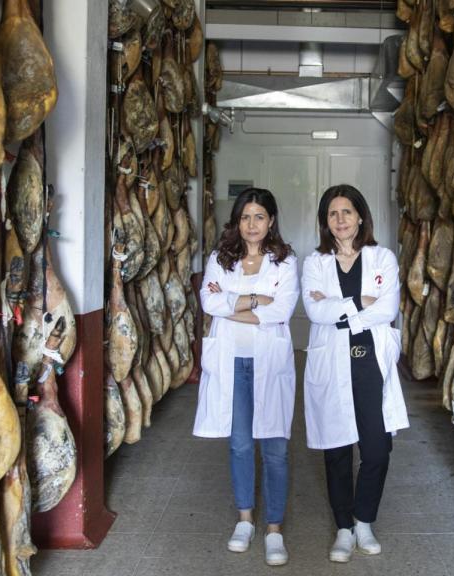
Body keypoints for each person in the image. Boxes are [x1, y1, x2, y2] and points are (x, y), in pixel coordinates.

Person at [301, 184, 409, 563]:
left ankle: (365, 520)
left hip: (370, 363)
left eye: (347, 212)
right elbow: (315, 313)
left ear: (360, 216)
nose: (341, 220)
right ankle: (344, 528)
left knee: (377, 449)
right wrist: (361, 303)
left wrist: (339, 308)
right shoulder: (315, 263)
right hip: (331, 362)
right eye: (333, 214)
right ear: (325, 222)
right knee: (337, 450)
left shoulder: (382, 258)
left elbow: (388, 308)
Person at [194, 187, 299, 566]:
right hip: (231, 360)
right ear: (236, 222)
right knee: (239, 443)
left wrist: (232, 303)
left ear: (270, 220)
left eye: (259, 217)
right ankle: (244, 520)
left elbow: (282, 311)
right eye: (245, 217)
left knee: (275, 447)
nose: (252, 225)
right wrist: (257, 300)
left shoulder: (285, 262)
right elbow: (209, 302)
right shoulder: (220, 259)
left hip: (268, 361)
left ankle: (273, 529)